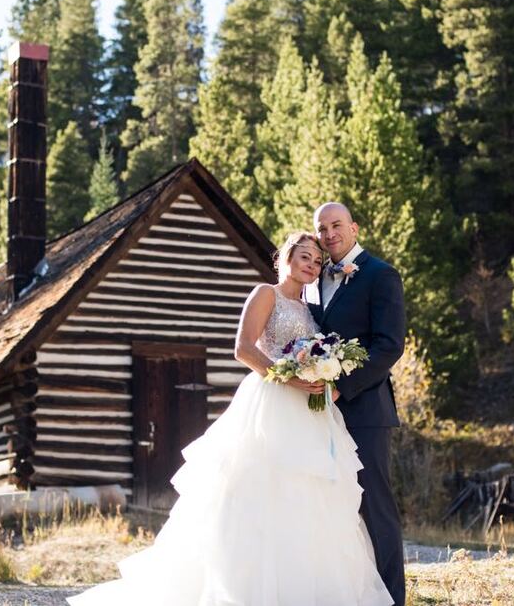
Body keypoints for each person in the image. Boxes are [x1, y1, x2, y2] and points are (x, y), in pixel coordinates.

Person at [67, 232, 393, 606]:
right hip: (271, 401)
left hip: (308, 411)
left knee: (308, 494)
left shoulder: (309, 310)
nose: (312, 265)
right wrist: (288, 378)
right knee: (258, 488)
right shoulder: (264, 294)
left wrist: (318, 373)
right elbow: (243, 349)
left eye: (317, 262)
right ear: (285, 258)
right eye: (305, 257)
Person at [310, 202, 407, 606]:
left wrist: (341, 388)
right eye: (322, 228)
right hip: (315, 415)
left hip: (365, 411)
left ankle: (392, 598)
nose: (330, 234)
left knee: (375, 507)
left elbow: (389, 346)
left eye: (336, 225)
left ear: (354, 227)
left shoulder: (381, 275)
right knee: (327, 508)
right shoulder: (312, 280)